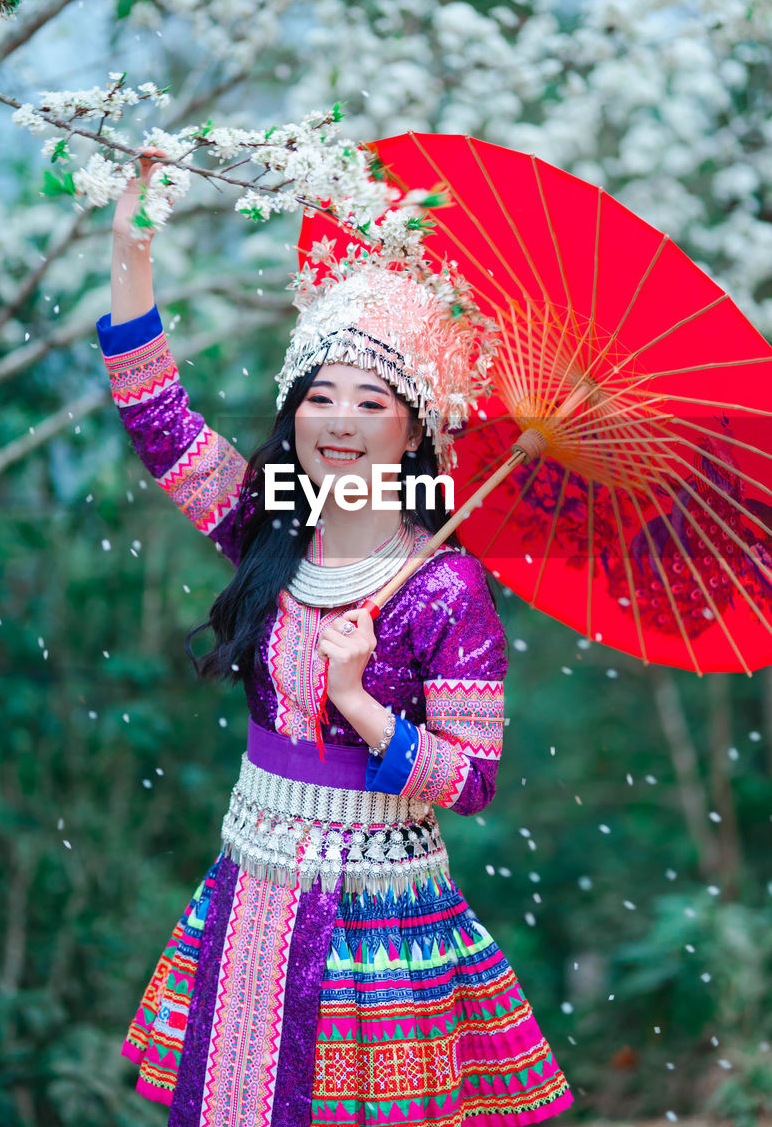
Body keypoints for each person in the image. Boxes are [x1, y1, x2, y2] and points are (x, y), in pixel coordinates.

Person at [96, 151, 574, 1127]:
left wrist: (359, 701)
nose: (341, 420)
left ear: (412, 430)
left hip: (376, 911)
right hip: (253, 877)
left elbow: (471, 780)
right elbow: (158, 419)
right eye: (321, 395)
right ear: (294, 411)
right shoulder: (264, 523)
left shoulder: (446, 590)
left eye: (372, 400)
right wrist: (128, 252)